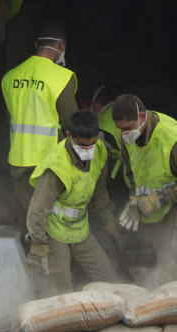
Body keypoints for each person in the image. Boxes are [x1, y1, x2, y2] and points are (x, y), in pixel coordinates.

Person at [112, 93, 177, 287]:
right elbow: (131, 172)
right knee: (163, 267)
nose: (124, 134)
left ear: (142, 117)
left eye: (127, 128)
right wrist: (135, 200)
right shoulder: (127, 137)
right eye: (120, 129)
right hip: (161, 209)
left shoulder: (171, 137)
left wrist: (158, 199)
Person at [23, 110, 121, 296]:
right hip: (54, 231)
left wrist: (109, 221)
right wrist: (38, 245)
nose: (89, 151)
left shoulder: (99, 151)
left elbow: (100, 193)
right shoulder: (56, 166)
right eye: (83, 146)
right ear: (69, 136)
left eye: (92, 144)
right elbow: (38, 209)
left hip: (80, 229)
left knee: (111, 280)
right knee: (60, 289)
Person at [1, 23, 77, 221]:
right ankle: (49, 252)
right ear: (61, 45)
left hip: (18, 157)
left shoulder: (10, 77)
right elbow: (71, 121)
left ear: (36, 44)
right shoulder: (62, 77)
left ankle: (30, 250)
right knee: (50, 217)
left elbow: (12, 114)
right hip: (49, 159)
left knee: (27, 217)